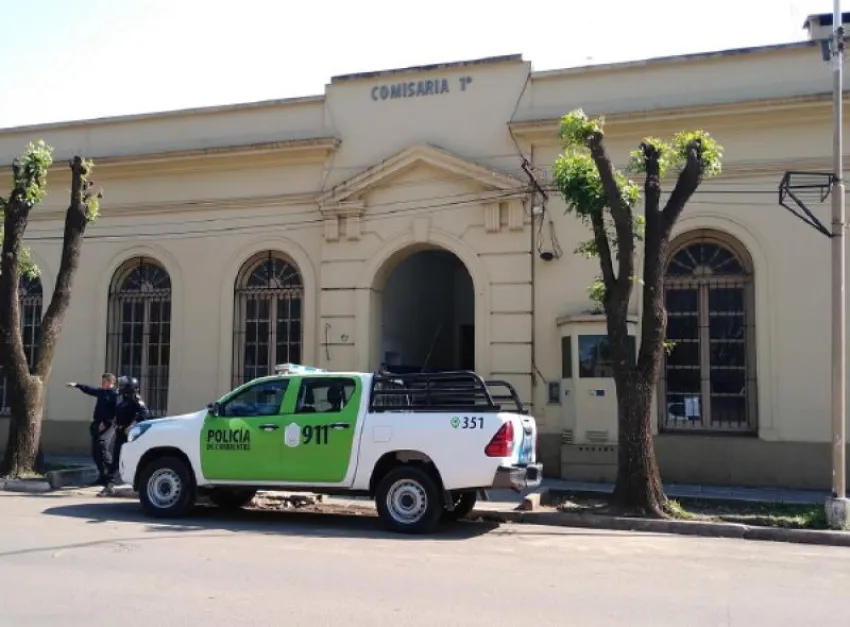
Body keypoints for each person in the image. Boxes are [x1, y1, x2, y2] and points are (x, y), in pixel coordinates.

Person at [66, 374, 118, 487]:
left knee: (102, 446)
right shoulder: (101, 392)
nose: (102, 383)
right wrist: (77, 385)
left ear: (110, 382)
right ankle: (102, 476)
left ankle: (113, 475)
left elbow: (116, 412)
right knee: (95, 452)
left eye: (104, 381)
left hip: (108, 425)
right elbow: (90, 389)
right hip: (97, 423)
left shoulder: (115, 394)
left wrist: (106, 423)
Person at [103, 375, 150, 496]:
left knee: (128, 460)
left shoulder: (136, 399)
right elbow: (118, 412)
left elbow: (144, 413)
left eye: (124, 385)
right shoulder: (123, 398)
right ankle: (109, 486)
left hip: (129, 435)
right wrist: (114, 421)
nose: (121, 387)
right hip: (119, 433)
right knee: (116, 460)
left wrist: (131, 426)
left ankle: (137, 486)